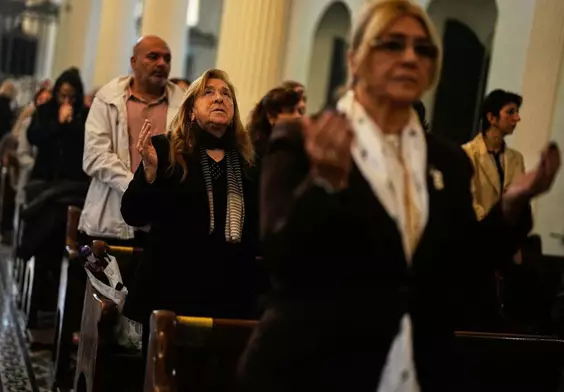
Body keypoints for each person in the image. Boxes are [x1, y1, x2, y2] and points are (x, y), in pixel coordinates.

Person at [236, 1, 561, 391]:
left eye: (423, 49)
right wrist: (324, 184)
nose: (410, 57)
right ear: (356, 59)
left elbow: (464, 262)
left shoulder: (447, 159)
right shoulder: (304, 139)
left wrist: (512, 205)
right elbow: (283, 259)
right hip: (314, 364)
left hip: (416, 362)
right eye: (393, 45)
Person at [120, 68, 266, 336]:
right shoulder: (164, 151)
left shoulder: (249, 164)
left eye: (226, 94)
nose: (219, 99)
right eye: (208, 93)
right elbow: (133, 214)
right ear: (190, 111)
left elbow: (257, 232)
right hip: (171, 293)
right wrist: (150, 174)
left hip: (228, 299)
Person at [79, 35, 185, 247]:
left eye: (167, 58)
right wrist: (136, 188)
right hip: (110, 221)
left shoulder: (183, 105)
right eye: (153, 57)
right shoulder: (107, 99)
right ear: (133, 62)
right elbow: (94, 156)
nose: (162, 63)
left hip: (162, 225)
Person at [463, 89, 524, 221]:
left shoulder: (517, 159)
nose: (517, 118)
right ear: (491, 118)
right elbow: (466, 202)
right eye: (510, 112)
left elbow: (520, 202)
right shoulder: (467, 154)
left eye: (517, 112)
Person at [248, 87, 303, 161]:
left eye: (300, 111)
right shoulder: (253, 152)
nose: (298, 116)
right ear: (271, 116)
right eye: (290, 111)